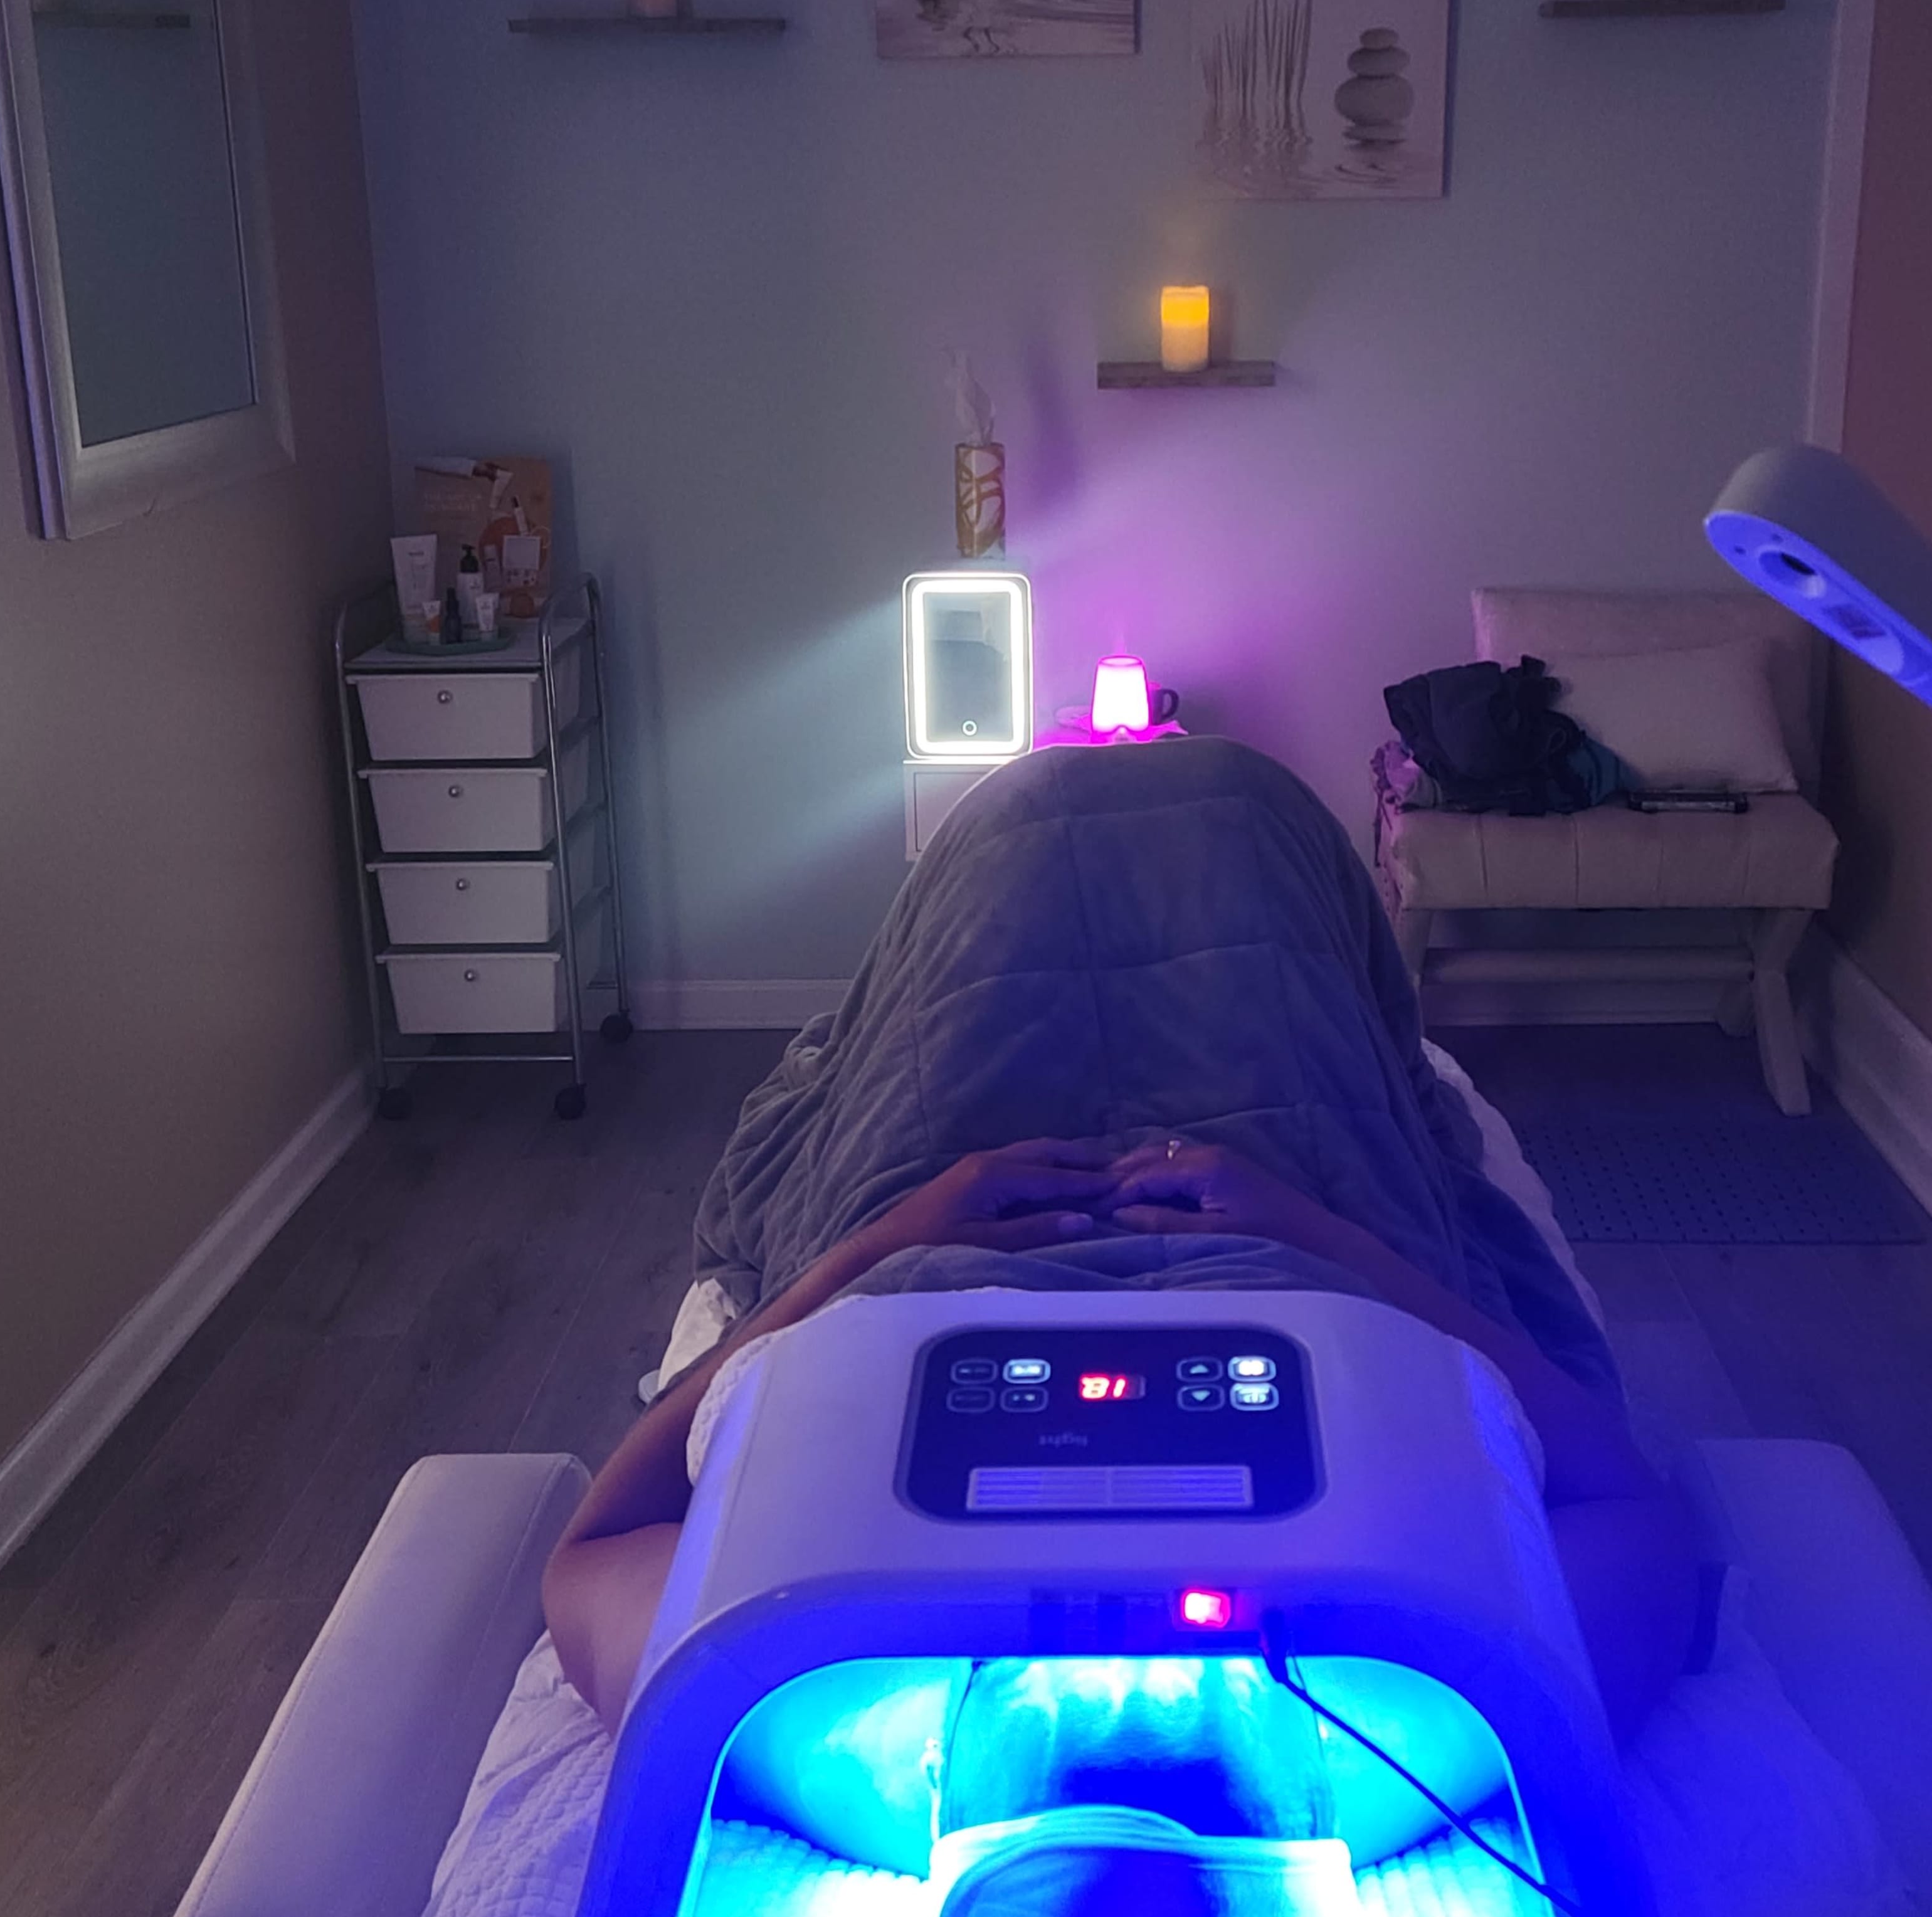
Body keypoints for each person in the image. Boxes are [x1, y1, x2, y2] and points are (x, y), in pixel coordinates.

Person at [544, 743, 1696, 1757]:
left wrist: (892, 1232)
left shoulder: (770, 1714)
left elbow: (593, 1550)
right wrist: (1310, 1227)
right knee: (1236, 846)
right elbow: (1629, 1504)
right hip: (1285, 1200)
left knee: (1004, 862)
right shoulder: (1466, 1717)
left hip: (941, 1227)